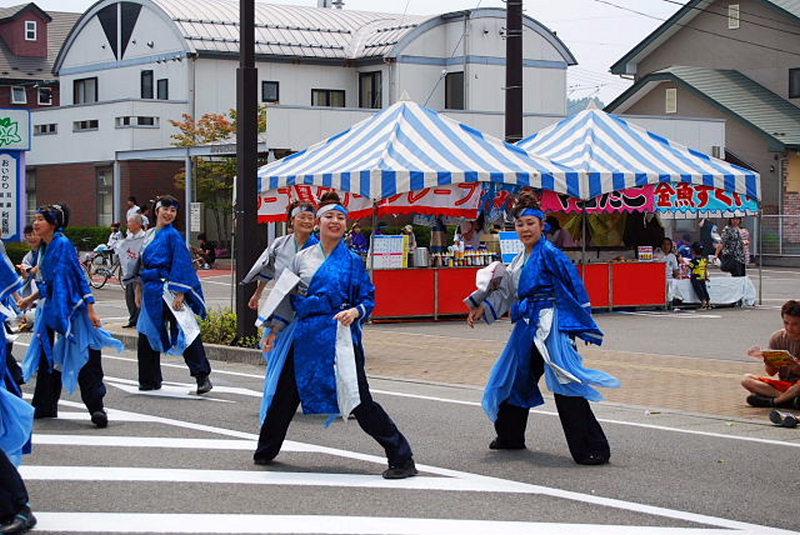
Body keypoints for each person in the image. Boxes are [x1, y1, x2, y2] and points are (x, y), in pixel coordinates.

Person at [253, 192, 417, 479]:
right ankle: (265, 450)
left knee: (359, 399)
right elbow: (285, 297)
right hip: (306, 335)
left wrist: (356, 312)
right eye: (329, 216)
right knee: (286, 394)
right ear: (318, 223)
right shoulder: (302, 258)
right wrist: (275, 329)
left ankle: (402, 457)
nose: (335, 221)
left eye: (341, 217)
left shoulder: (353, 261)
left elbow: (368, 299)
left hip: (340, 336)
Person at [465, 192, 620, 465]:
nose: (525, 229)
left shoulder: (551, 254)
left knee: (564, 380)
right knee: (515, 377)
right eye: (520, 224)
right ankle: (510, 436)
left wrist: (574, 326)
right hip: (527, 324)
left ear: (542, 225)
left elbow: (574, 288)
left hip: (550, 324)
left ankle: (592, 447)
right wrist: (483, 307)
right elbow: (512, 290)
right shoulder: (520, 258)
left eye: (530, 223)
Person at [19, 204, 123, 428]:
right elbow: (50, 282)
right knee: (48, 355)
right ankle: (45, 405)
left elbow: (79, 278)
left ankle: (97, 407)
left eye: (40, 219)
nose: (35, 223)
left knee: (84, 354)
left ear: (54, 223)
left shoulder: (63, 245)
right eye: (35, 219)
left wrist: (91, 309)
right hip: (52, 308)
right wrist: (29, 299)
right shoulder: (45, 248)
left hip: (73, 309)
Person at [134, 196, 213, 394]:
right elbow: (141, 265)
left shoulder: (174, 236)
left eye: (173, 211)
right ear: (157, 210)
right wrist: (139, 288)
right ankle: (149, 379)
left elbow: (182, 264)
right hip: (151, 289)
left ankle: (202, 376)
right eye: (165, 209)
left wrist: (181, 293)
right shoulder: (149, 234)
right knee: (146, 332)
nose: (169, 214)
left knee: (187, 330)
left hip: (170, 289)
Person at [244, 201, 318, 318]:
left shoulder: (320, 248)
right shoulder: (279, 244)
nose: (307, 221)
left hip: (310, 306)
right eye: (302, 217)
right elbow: (268, 269)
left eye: (310, 218)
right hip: (282, 302)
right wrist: (258, 294)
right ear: (292, 220)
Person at [741, 300, 800, 409]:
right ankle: (788, 400)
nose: (789, 328)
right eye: (786, 323)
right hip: (785, 385)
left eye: (795, 324)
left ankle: (774, 402)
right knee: (746, 379)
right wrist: (768, 361)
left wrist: (796, 367)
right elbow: (771, 373)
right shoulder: (777, 338)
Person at [120, 214, 146, 328]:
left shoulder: (145, 238)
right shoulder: (128, 238)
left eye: (130, 222)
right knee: (129, 296)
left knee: (138, 296)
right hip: (129, 273)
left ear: (138, 224)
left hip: (139, 273)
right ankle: (132, 320)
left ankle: (139, 320)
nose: (128, 225)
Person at [688, 242, 711, 310]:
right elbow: (705, 269)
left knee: (699, 290)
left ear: (693, 251)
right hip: (702, 277)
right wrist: (706, 277)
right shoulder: (704, 260)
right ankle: (708, 303)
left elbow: (689, 268)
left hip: (695, 277)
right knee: (704, 289)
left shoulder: (693, 261)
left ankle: (703, 303)